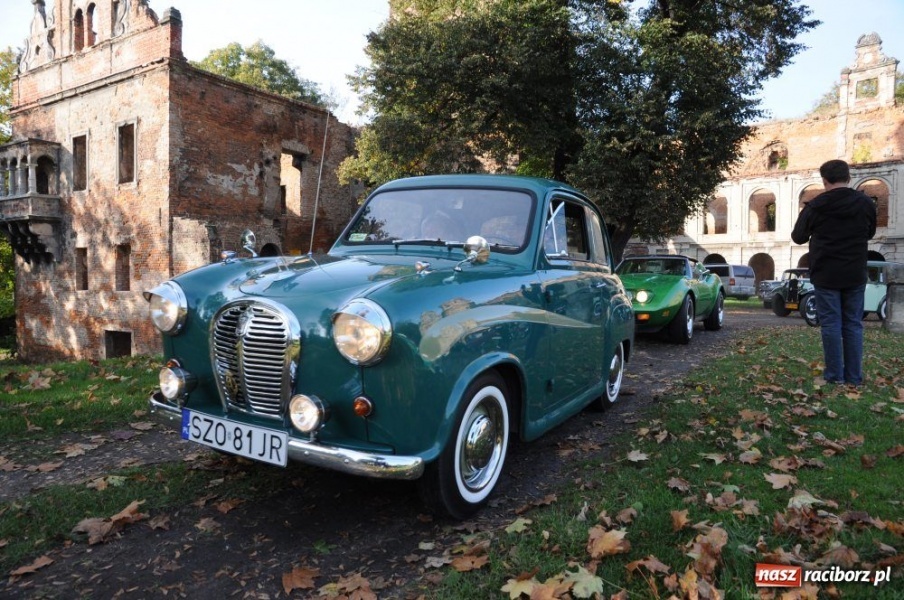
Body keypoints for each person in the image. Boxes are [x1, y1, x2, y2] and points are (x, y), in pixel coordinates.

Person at [791, 159, 877, 386]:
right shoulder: (865, 203)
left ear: (824, 180)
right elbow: (870, 232)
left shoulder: (816, 206)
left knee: (830, 324)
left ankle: (834, 376)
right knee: (853, 323)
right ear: (848, 177)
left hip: (826, 273)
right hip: (855, 272)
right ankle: (854, 377)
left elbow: (798, 236)